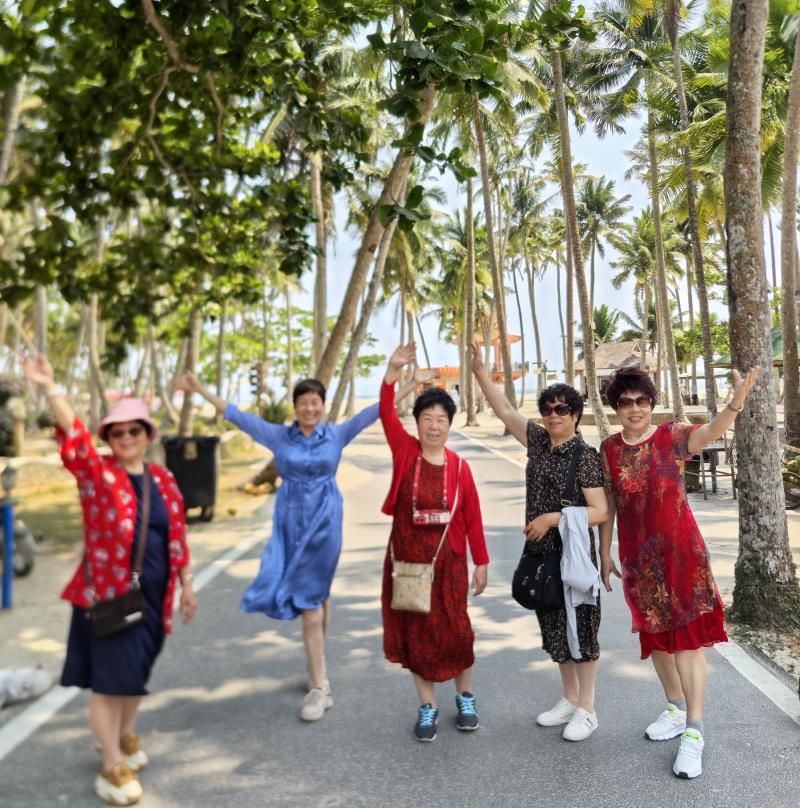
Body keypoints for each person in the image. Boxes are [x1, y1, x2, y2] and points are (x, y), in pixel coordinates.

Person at [174, 371, 422, 722]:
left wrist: (409, 385)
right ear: (295, 407)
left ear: (322, 405)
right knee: (315, 600)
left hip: (325, 524)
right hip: (290, 525)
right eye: (303, 403)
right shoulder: (278, 436)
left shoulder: (336, 434)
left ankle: (319, 686)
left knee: (312, 601)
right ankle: (317, 668)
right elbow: (235, 415)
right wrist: (199, 388)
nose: (309, 408)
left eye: (315, 402)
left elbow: (375, 411)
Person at [22, 353, 196, 807]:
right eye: (117, 432)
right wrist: (50, 386)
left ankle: (123, 734)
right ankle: (109, 766)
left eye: (134, 430)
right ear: (109, 438)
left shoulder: (163, 480)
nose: (126, 437)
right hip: (109, 597)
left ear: (147, 435)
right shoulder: (97, 474)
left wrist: (187, 583)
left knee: (136, 674)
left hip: (155, 597)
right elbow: (75, 437)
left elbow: (176, 534)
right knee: (111, 681)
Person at [598, 365, 760, 779]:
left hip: (681, 556)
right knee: (657, 640)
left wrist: (735, 403)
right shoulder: (609, 449)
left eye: (641, 400)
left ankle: (694, 729)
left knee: (686, 643)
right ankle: (673, 707)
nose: (635, 408)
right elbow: (611, 503)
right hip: (639, 563)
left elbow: (711, 433)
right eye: (625, 402)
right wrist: (604, 549)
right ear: (616, 407)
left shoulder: (671, 436)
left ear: (652, 402)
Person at [470, 342, 608, 742]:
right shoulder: (537, 442)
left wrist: (553, 519)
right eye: (548, 409)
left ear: (575, 415)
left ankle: (587, 709)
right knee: (554, 627)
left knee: (582, 630)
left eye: (562, 409)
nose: (553, 415)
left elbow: (599, 510)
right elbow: (504, 409)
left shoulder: (584, 455)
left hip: (572, 556)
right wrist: (479, 373)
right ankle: (569, 697)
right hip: (541, 555)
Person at [380, 343, 488, 742]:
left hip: (450, 565)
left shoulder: (460, 467)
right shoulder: (404, 451)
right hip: (409, 564)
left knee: (458, 631)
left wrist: (482, 561)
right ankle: (427, 705)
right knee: (417, 634)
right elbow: (384, 410)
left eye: (441, 419)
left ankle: (465, 698)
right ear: (417, 423)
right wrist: (395, 372)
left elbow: (472, 517)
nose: (434, 426)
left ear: (449, 424)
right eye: (427, 418)